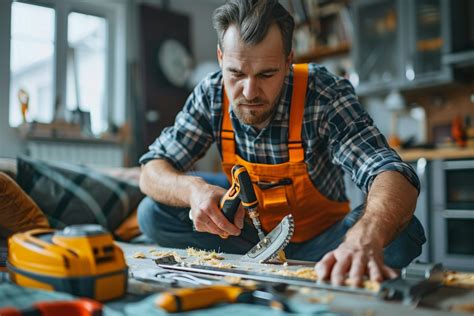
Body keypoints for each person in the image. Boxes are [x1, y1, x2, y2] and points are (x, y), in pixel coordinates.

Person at [137, 0, 426, 286]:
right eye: (236, 73)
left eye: (266, 74)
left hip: (324, 245)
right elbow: (152, 169)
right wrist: (192, 190)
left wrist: (364, 238)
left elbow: (389, 171)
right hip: (249, 241)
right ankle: (251, 266)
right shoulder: (210, 94)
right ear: (220, 58)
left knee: (401, 232)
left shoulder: (324, 93)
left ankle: (342, 259)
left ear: (289, 60)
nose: (249, 92)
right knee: (152, 214)